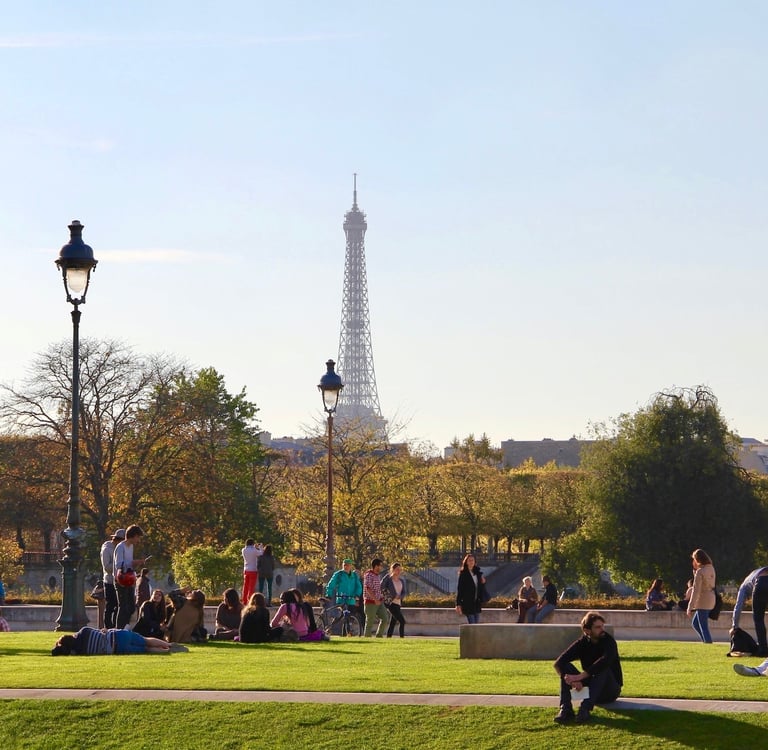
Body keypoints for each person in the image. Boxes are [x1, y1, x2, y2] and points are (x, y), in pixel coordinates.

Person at [553, 611, 623, 724]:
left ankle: (585, 709)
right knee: (565, 667)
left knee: (603, 668)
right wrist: (571, 681)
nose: (602, 629)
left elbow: (604, 661)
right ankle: (566, 709)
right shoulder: (582, 643)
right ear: (587, 630)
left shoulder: (609, 641)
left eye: (602, 626)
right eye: (597, 627)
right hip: (591, 687)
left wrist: (580, 677)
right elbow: (558, 663)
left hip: (609, 690)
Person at [52, 626, 176, 655]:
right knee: (146, 640)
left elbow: (62, 651)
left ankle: (166, 651)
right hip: (118, 636)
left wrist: (59, 647)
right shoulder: (84, 631)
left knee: (146, 649)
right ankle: (169, 644)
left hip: (116, 648)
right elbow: (102, 630)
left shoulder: (79, 652)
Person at [113, 525, 147, 629]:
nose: (138, 540)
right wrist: (133, 562)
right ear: (133, 536)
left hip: (129, 579)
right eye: (138, 537)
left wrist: (135, 564)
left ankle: (125, 626)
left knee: (131, 607)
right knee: (123, 606)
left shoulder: (130, 547)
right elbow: (119, 565)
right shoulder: (120, 547)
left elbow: (128, 564)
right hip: (120, 580)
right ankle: (119, 628)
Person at [731, 565, 768, 657]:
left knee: (758, 619)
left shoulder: (744, 586)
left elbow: (738, 606)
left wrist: (734, 626)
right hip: (762, 578)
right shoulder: (756, 572)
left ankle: (763, 649)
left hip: (761, 583)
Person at [687, 548, 716, 643]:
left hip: (703, 599)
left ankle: (707, 642)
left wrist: (690, 607)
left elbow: (696, 590)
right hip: (711, 597)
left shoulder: (700, 572)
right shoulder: (711, 568)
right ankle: (705, 641)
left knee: (703, 626)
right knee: (696, 623)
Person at [100, 528, 124, 629]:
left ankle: (115, 626)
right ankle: (108, 626)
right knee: (110, 605)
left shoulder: (121, 548)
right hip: (109, 581)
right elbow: (106, 566)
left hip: (120, 580)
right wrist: (120, 566)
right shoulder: (107, 549)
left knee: (118, 605)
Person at [363, 558, 390, 637]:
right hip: (370, 602)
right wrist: (375, 599)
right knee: (370, 621)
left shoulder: (377, 576)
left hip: (379, 601)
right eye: (380, 566)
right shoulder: (368, 575)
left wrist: (380, 598)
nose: (381, 568)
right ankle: (367, 637)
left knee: (385, 618)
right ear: (376, 566)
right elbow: (367, 588)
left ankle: (379, 635)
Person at [455, 553, 485, 624]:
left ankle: (474, 635)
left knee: (476, 624)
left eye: (472, 560)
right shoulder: (463, 574)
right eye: (469, 560)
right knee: (472, 623)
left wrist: (483, 583)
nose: (471, 562)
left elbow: (480, 588)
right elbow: (460, 589)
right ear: (466, 562)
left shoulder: (477, 573)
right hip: (468, 603)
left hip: (476, 603)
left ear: (475, 562)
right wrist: (458, 604)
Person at [381, 562, 408, 638]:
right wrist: (387, 576)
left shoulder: (401, 580)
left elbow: (404, 592)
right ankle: (402, 637)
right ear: (393, 570)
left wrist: (401, 596)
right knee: (402, 621)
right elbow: (382, 586)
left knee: (393, 622)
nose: (399, 571)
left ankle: (388, 637)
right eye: (397, 569)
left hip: (398, 603)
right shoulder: (389, 580)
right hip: (391, 603)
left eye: (400, 569)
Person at [241, 539, 263, 605]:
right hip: (253, 570)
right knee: (251, 587)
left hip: (246, 569)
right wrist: (260, 547)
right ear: (252, 543)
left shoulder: (243, 550)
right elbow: (261, 553)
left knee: (245, 587)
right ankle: (249, 601)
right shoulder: (254, 550)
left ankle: (244, 600)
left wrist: (254, 547)